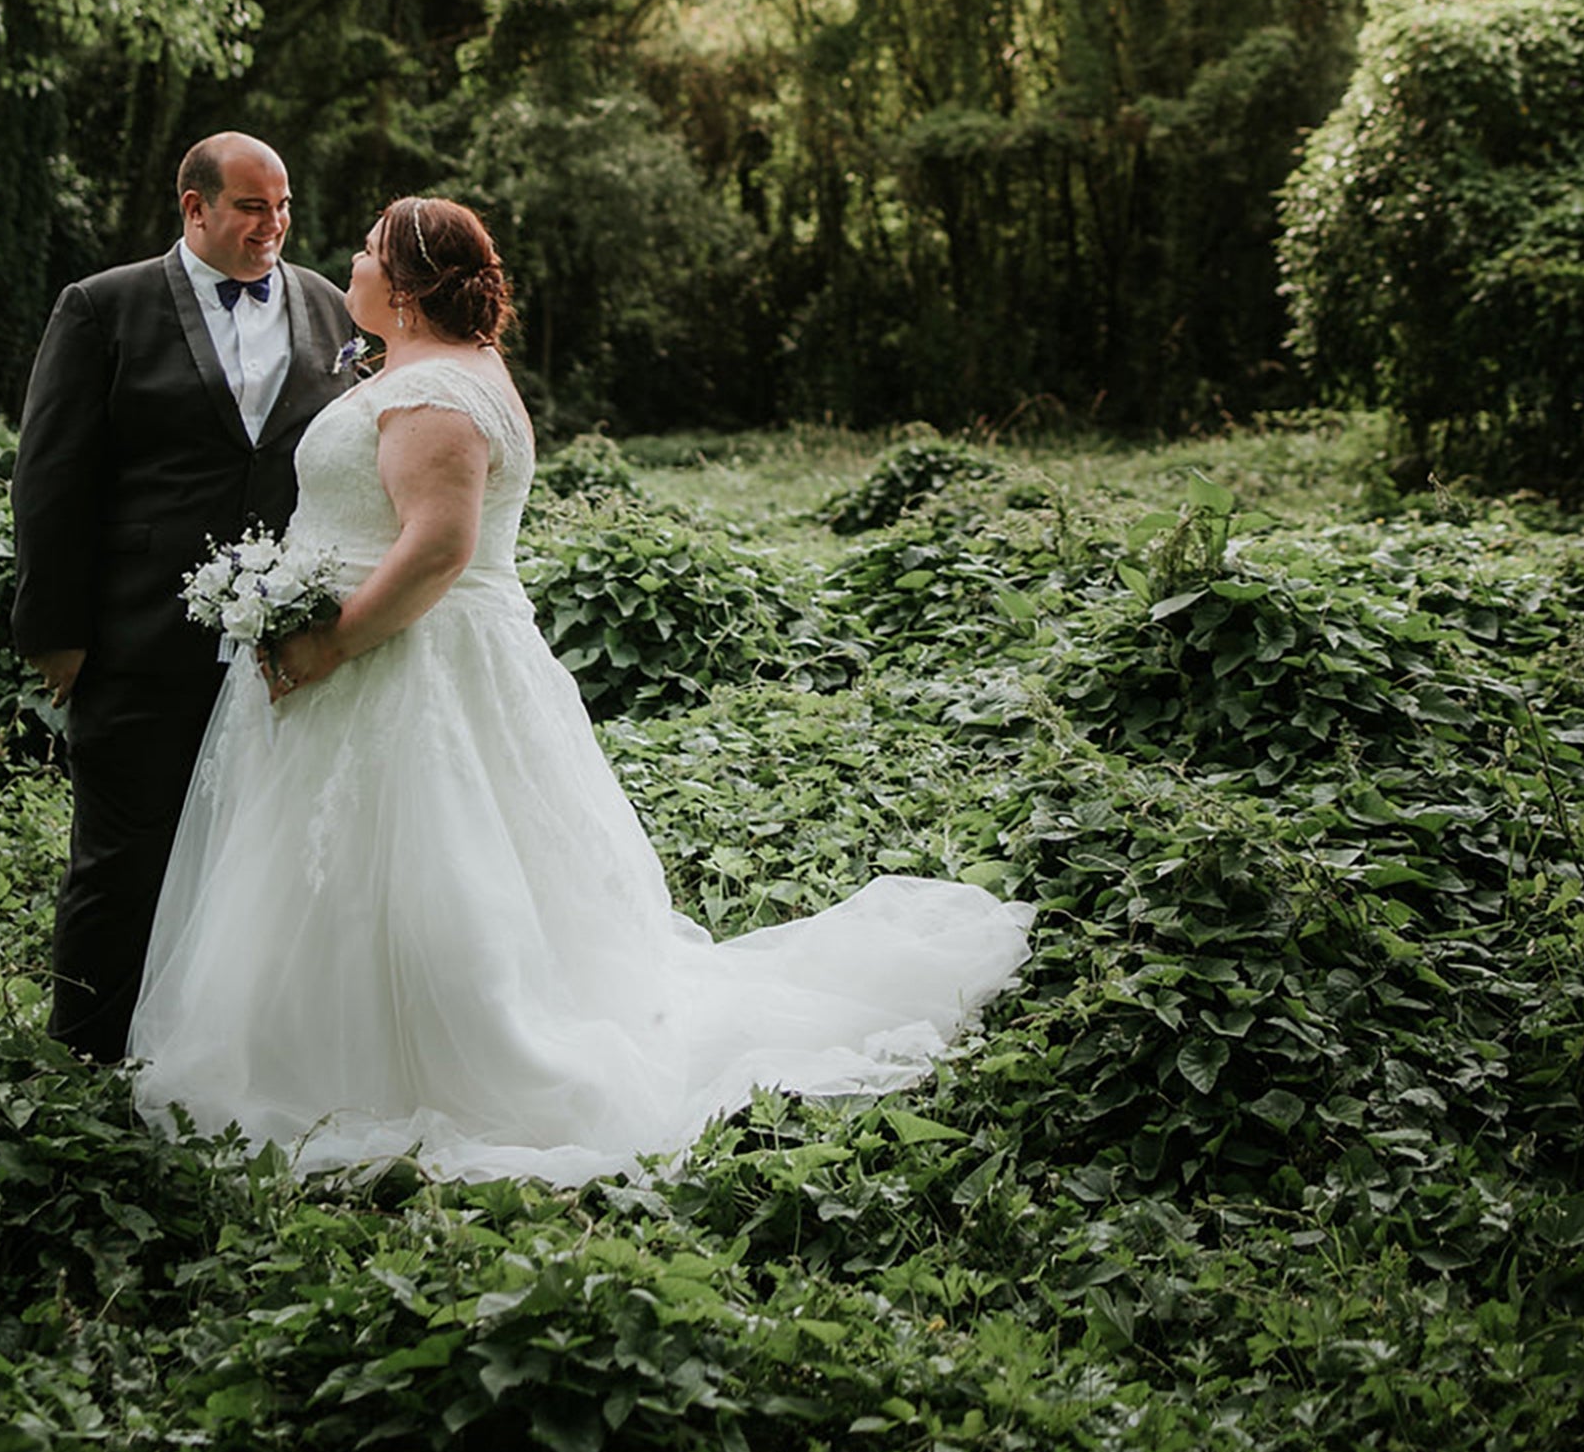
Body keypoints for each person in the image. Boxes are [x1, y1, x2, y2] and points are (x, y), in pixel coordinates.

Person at [127, 196, 1034, 1185]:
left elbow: (437, 549)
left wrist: (332, 643)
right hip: (410, 656)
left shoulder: (432, 389)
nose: (347, 261)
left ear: (407, 284)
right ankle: (313, 1036)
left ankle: (422, 1067)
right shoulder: (432, 368)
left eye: (368, 251)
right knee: (372, 872)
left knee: (423, 870)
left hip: (406, 664)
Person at [10, 132, 356, 1064]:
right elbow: (51, 478)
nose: (272, 226)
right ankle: (84, 1057)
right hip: (136, 634)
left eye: (283, 206)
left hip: (288, 642)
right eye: (251, 206)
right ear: (194, 207)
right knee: (123, 857)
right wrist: (56, 631)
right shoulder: (102, 308)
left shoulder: (330, 309)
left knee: (260, 858)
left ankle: (225, 1054)